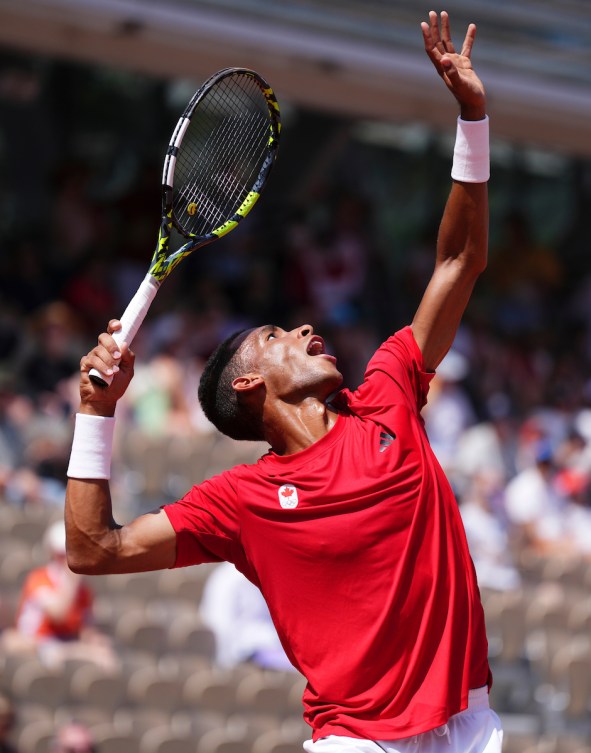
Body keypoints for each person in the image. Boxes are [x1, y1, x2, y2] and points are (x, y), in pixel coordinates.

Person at [65, 12, 502, 753]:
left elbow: (458, 261)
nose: (303, 331)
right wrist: (94, 414)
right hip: (356, 742)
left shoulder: (388, 392)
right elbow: (92, 550)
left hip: (467, 723)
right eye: (277, 336)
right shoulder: (241, 502)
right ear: (248, 388)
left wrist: (471, 117)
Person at [1, 521, 117, 670]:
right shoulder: (39, 579)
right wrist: (72, 580)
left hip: (65, 642)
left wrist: (94, 640)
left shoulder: (84, 590)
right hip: (37, 641)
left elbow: (85, 628)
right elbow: (58, 613)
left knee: (104, 656)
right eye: (63, 556)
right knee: (13, 642)